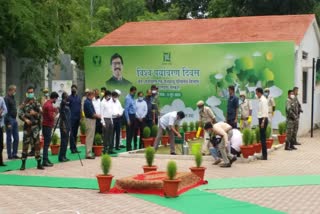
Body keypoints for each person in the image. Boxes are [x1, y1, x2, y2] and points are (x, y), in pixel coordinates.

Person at [19, 86, 44, 170]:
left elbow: (41, 114)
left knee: (37, 145)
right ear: (27, 93)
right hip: (27, 128)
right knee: (25, 145)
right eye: (29, 92)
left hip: (35, 127)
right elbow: (20, 113)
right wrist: (25, 119)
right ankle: (23, 164)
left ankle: (39, 164)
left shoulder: (36, 103)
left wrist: (35, 113)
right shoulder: (24, 103)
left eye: (32, 92)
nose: (31, 93)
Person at [42, 92, 59, 167]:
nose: (56, 100)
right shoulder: (49, 105)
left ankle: (46, 159)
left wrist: (55, 109)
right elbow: (51, 117)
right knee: (46, 144)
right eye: (56, 99)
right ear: (54, 98)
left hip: (46, 125)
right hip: (47, 126)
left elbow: (51, 110)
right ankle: (45, 160)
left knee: (47, 144)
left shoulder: (48, 104)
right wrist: (56, 114)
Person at [83, 91, 101, 159]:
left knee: (91, 137)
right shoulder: (87, 102)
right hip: (89, 120)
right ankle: (88, 153)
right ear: (90, 95)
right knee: (89, 137)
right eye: (93, 95)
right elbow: (91, 113)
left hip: (92, 120)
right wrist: (99, 116)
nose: (94, 97)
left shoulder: (89, 101)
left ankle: (89, 152)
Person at [4, 85, 20, 159]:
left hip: (14, 119)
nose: (15, 92)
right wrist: (8, 123)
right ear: (10, 90)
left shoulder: (13, 98)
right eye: (14, 90)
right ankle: (9, 155)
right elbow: (5, 111)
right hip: (9, 119)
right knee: (9, 138)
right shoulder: (6, 98)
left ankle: (14, 153)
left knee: (16, 137)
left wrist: (15, 118)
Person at [67, 84, 81, 153]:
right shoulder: (69, 98)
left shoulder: (78, 98)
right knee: (72, 134)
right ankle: (72, 148)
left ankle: (75, 147)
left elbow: (80, 107)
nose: (73, 89)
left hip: (77, 118)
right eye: (72, 88)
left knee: (75, 134)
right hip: (71, 118)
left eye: (75, 88)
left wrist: (81, 117)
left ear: (76, 89)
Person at [256, 87, 269, 160]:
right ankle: (264, 155)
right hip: (261, 119)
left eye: (256, 92)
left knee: (263, 138)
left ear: (259, 92)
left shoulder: (263, 100)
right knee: (262, 138)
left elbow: (265, 111)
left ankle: (264, 156)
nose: (256, 94)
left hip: (263, 120)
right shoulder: (261, 99)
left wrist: (263, 122)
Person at [58, 92, 71, 162]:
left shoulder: (66, 104)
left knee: (66, 141)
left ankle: (64, 155)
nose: (68, 96)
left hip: (68, 124)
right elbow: (62, 116)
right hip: (64, 125)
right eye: (66, 96)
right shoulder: (62, 104)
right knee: (63, 141)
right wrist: (64, 126)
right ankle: (61, 156)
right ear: (64, 97)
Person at [124, 86, 137, 151]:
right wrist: (128, 119)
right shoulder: (128, 98)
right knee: (129, 133)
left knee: (132, 132)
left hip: (133, 116)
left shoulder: (133, 98)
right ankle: (128, 147)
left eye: (135, 92)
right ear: (130, 91)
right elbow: (126, 109)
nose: (134, 93)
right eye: (133, 92)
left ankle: (130, 146)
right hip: (129, 116)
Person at [0, 95, 8, 166]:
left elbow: (5, 110)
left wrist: (1, 113)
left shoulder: (1, 99)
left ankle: (0, 161)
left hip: (0, 125)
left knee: (1, 144)